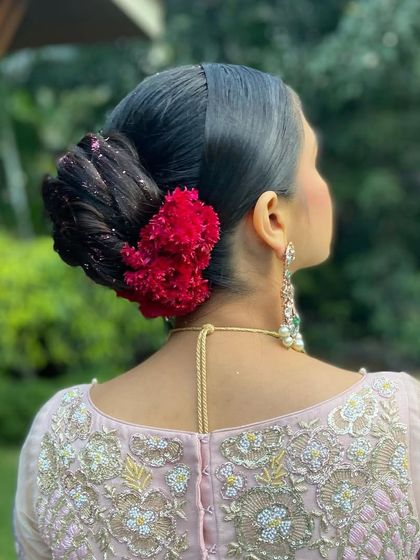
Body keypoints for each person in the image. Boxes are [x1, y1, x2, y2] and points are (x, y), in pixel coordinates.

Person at [13, 62, 420, 559]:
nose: (325, 186)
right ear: (272, 218)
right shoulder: (398, 424)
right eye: (313, 162)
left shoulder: (58, 438)